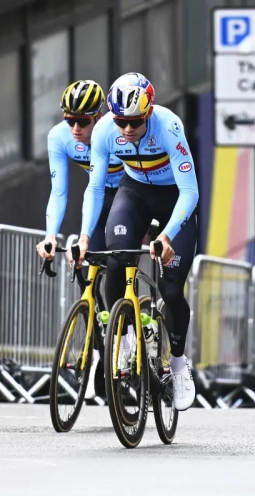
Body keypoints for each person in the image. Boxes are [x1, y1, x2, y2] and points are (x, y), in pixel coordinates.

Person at [67, 72, 199, 411]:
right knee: (115, 257)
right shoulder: (105, 130)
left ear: (149, 112)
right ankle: (126, 339)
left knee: (170, 291)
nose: (127, 129)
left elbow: (190, 191)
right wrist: (83, 237)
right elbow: (95, 189)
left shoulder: (168, 127)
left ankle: (180, 366)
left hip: (174, 198)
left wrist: (167, 235)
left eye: (135, 122)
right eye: (122, 121)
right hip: (135, 192)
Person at [36, 80, 124, 401]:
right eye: (68, 119)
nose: (74, 127)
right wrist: (50, 237)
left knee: (117, 267)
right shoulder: (58, 137)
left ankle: (125, 339)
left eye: (82, 121)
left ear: (98, 117)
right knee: (89, 272)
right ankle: (103, 345)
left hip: (130, 197)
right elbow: (59, 192)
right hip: (98, 198)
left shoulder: (114, 132)